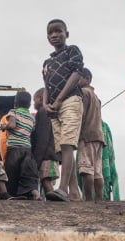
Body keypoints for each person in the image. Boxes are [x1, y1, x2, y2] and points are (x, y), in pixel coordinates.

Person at [42, 19, 84, 202]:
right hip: (53, 108)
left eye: (58, 31)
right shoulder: (47, 62)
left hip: (70, 101)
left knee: (68, 144)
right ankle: (73, 192)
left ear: (67, 33)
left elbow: (76, 74)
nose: (54, 35)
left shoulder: (72, 51)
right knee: (61, 149)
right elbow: (46, 87)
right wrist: (45, 104)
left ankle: (63, 188)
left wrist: (59, 100)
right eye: (50, 33)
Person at [0, 91, 40, 200]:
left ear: (15, 103)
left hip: (14, 149)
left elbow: (12, 125)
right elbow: (32, 132)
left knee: (11, 174)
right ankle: (34, 192)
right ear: (29, 104)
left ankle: (12, 196)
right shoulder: (32, 118)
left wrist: (3, 126)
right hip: (27, 149)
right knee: (27, 174)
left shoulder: (13, 112)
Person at [77, 68, 105, 201]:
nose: (76, 81)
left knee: (86, 169)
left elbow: (80, 115)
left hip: (87, 136)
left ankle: (88, 200)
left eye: (79, 78)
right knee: (97, 171)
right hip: (99, 137)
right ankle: (99, 199)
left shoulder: (83, 93)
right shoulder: (96, 97)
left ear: (87, 79)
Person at [31, 88, 60, 199]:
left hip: (46, 156)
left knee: (45, 180)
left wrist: (37, 160)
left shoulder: (43, 112)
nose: (34, 104)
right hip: (51, 155)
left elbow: (42, 137)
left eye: (35, 100)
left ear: (41, 98)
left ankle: (56, 204)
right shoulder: (50, 112)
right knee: (45, 181)